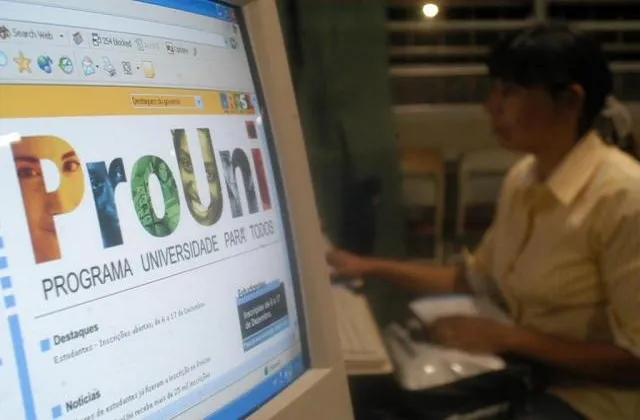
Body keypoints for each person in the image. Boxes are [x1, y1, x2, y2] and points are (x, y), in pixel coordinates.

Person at [327, 24, 640, 420]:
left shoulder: (623, 196)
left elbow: (634, 360)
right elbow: (473, 280)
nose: (490, 105)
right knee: (374, 396)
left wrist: (509, 338)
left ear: (569, 101)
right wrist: (366, 266)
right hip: (520, 374)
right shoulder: (523, 178)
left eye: (510, 91)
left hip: (591, 399)